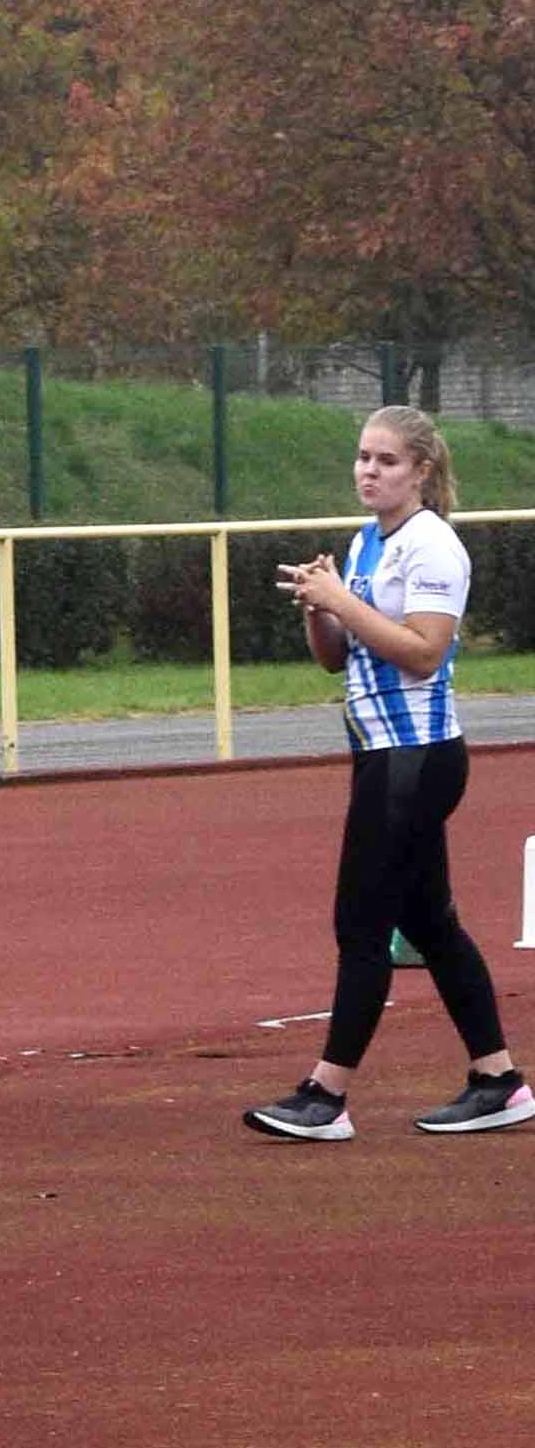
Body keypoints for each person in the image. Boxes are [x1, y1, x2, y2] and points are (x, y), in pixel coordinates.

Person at [242, 407, 532, 1143]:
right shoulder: (368, 541)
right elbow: (337, 658)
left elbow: (425, 654)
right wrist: (320, 608)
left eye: (387, 460)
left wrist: (343, 599)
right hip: (383, 755)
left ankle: (326, 1094)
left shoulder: (433, 545)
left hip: (417, 758)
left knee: (362, 923)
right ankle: (498, 1080)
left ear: (422, 471)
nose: (368, 471)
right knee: (430, 923)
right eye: (363, 457)